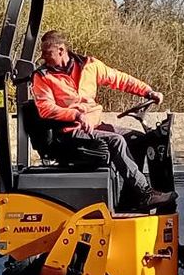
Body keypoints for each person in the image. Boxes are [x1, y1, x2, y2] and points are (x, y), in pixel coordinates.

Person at [31, 29, 172, 210]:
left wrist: (147, 91)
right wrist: (76, 115)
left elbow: (119, 79)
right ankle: (145, 193)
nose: (43, 57)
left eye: (47, 53)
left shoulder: (89, 65)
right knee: (116, 141)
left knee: (137, 139)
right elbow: (46, 108)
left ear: (61, 50)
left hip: (94, 125)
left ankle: (130, 200)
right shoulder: (42, 76)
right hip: (69, 131)